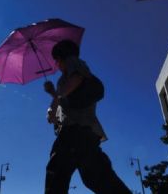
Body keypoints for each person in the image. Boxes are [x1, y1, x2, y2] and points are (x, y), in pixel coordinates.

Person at [43, 40, 131, 194]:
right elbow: (57, 114)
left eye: (56, 60)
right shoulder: (61, 81)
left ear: (62, 57)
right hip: (84, 134)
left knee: (56, 173)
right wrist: (52, 107)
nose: (56, 64)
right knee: (98, 177)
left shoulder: (73, 62)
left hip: (74, 132)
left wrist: (54, 95)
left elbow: (76, 80)